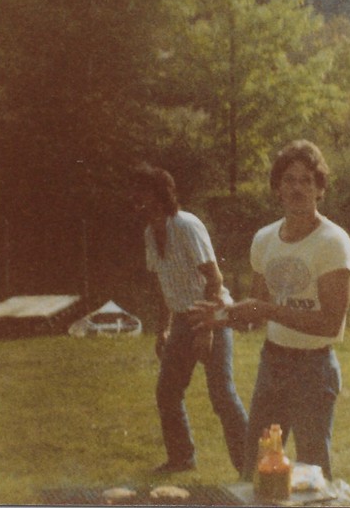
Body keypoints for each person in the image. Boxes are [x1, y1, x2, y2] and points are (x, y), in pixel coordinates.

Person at [191, 140, 350, 482]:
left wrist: (267, 309)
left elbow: (330, 323)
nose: (297, 188)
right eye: (289, 180)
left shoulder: (333, 242)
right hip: (273, 363)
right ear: (277, 188)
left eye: (307, 180)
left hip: (314, 368)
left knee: (312, 473)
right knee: (256, 467)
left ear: (320, 189)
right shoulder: (264, 239)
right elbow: (256, 312)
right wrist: (225, 314)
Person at [135, 163, 248, 475]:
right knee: (167, 392)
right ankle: (182, 458)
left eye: (141, 193)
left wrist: (207, 329)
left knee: (222, 395)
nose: (136, 200)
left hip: (213, 314)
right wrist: (164, 328)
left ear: (159, 196)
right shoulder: (150, 233)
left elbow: (215, 278)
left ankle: (250, 465)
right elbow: (164, 285)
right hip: (183, 320)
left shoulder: (186, 226)